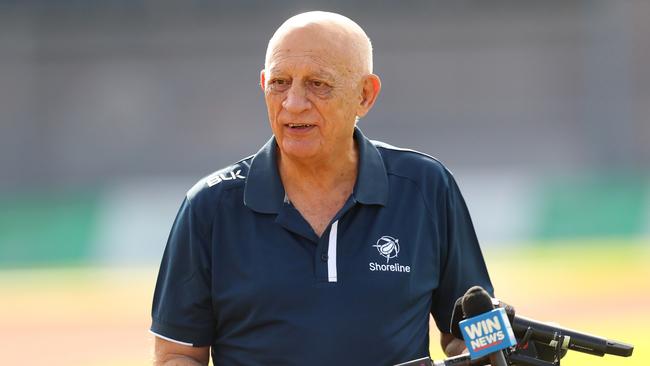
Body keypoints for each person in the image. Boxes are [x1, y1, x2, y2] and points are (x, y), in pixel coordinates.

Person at [150, 11, 493, 366]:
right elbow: (177, 355)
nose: (293, 103)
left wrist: (483, 352)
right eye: (280, 83)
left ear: (365, 94)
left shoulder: (426, 187)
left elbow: (470, 334)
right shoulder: (209, 206)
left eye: (318, 84)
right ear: (264, 84)